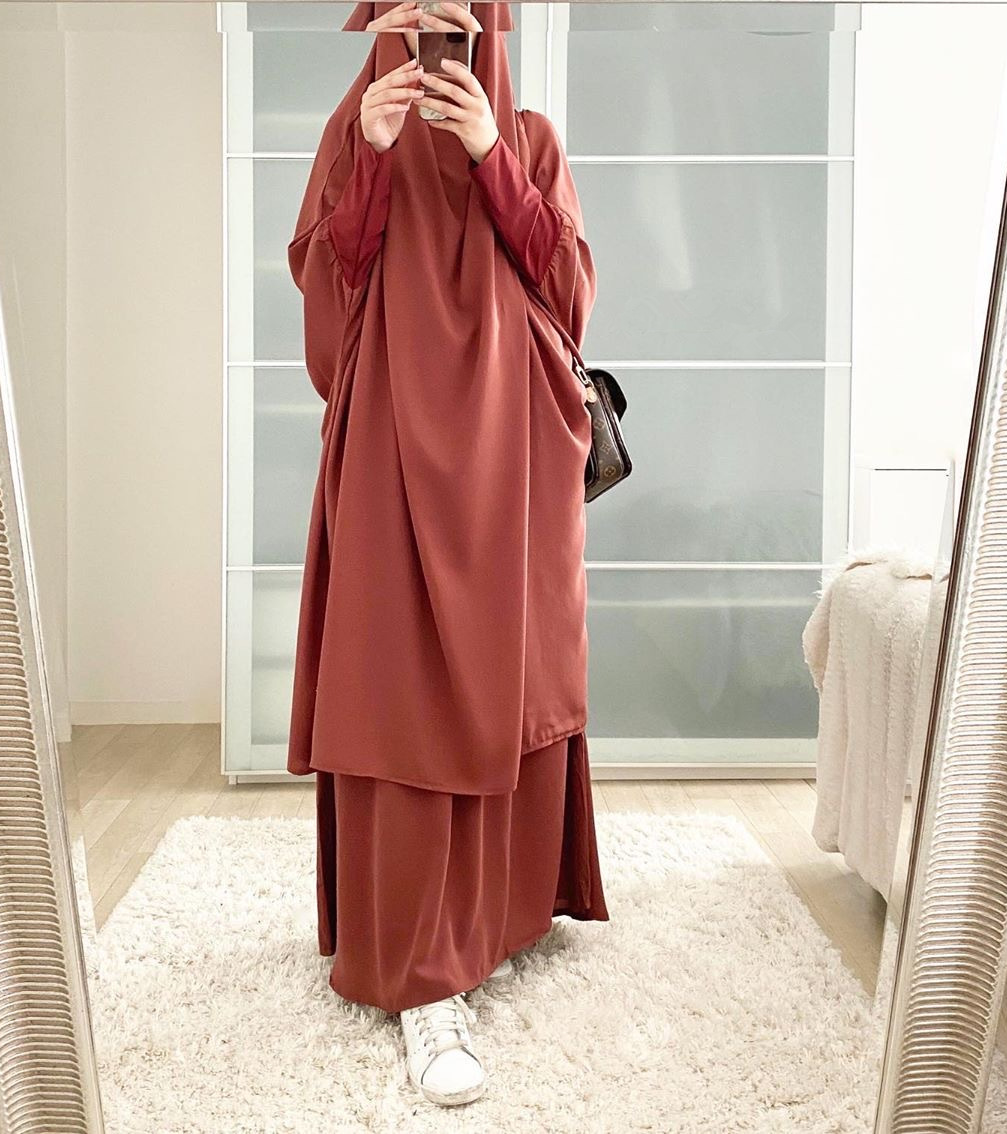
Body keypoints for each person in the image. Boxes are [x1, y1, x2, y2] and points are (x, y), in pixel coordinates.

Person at [285, 0, 609, 1108]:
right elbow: (329, 318)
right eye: (415, 19)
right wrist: (373, 158)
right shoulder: (351, 137)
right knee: (400, 692)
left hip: (514, 458)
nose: (436, 50)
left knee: (507, 679)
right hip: (389, 448)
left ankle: (498, 921)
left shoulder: (529, 139)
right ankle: (423, 977)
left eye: (458, 26)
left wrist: (488, 155)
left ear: (490, 34)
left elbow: (569, 300)